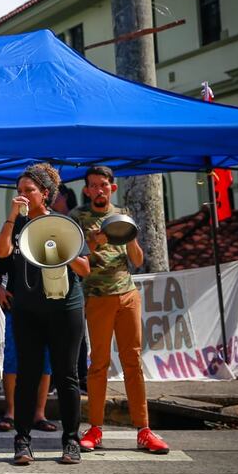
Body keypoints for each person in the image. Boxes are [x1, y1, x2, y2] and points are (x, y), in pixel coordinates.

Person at [0, 163, 90, 466]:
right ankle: (22, 441)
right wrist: (11, 217)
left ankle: (71, 441)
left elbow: (85, 269)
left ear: (44, 194)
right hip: (28, 312)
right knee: (27, 376)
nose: (21, 196)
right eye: (18, 191)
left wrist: (64, 250)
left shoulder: (63, 224)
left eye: (28, 191)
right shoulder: (16, 226)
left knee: (67, 376)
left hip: (65, 309)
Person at [70, 165, 170, 455]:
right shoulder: (78, 217)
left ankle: (144, 430)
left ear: (112, 187)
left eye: (103, 184)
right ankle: (95, 429)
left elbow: (137, 260)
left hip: (127, 295)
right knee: (98, 364)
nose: (98, 189)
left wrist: (129, 235)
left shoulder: (122, 213)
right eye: (93, 185)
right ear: (87, 190)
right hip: (97, 297)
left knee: (132, 362)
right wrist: (94, 241)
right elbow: (76, 258)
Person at [0, 261, 57, 433]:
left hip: (49, 303)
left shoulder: (54, 234)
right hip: (16, 303)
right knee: (12, 359)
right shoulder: (13, 235)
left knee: (46, 361)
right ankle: (10, 413)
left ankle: (39, 414)